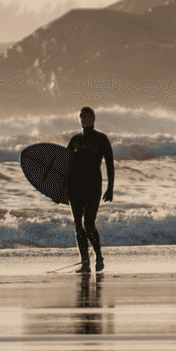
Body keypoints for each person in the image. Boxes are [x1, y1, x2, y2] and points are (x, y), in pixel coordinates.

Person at [67, 106, 117, 272]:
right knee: (77, 225)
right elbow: (63, 167)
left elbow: (109, 164)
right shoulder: (74, 140)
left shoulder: (102, 139)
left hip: (93, 186)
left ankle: (99, 256)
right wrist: (58, 191)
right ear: (80, 120)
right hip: (75, 187)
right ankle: (85, 262)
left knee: (88, 223)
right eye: (83, 118)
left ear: (93, 119)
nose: (86, 120)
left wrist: (110, 187)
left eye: (89, 118)